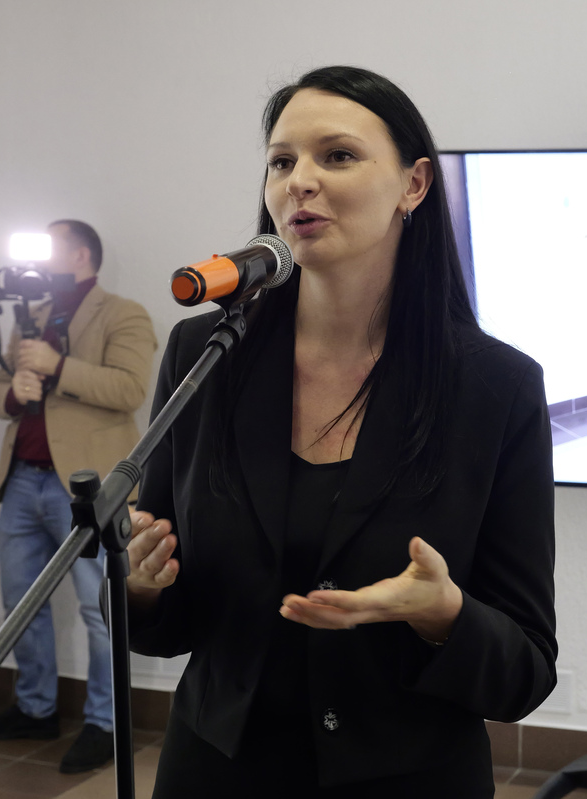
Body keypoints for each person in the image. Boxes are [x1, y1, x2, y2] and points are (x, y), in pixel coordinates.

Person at [126, 66, 557, 797]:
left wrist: (444, 614)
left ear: (414, 184)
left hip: (409, 779)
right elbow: (170, 619)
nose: (300, 180)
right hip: (216, 772)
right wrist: (140, 587)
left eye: (338, 155)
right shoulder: (206, 355)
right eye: (281, 161)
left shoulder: (496, 387)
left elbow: (525, 670)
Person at [0, 220, 157, 773]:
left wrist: (57, 368)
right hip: (21, 480)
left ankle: (105, 723)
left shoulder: (123, 313)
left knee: (100, 609)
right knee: (20, 605)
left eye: (50, 244)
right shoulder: (28, 316)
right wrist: (13, 393)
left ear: (81, 255)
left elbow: (130, 389)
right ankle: (35, 709)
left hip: (85, 488)